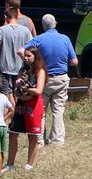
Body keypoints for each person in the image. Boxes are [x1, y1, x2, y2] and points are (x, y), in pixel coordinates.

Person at [25, 13, 78, 145]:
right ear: (55, 24)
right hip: (61, 79)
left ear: (43, 26)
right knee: (58, 110)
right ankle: (57, 140)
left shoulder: (39, 39)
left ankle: (39, 139)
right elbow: (74, 61)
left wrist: (31, 64)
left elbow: (22, 51)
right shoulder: (65, 39)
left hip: (44, 79)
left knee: (41, 110)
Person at [7, 47, 45, 171]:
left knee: (32, 135)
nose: (26, 58)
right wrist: (20, 92)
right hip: (21, 104)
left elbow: (38, 90)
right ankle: (10, 164)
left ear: (36, 57)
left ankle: (29, 164)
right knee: (13, 134)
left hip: (34, 105)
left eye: (29, 56)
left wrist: (26, 89)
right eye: (25, 56)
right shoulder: (22, 70)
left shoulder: (40, 71)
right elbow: (16, 89)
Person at [0, 4, 33, 93]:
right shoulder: (26, 30)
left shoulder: (1, 30)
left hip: (4, 66)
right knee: (18, 92)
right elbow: (33, 47)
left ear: (5, 16)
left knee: (4, 92)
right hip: (20, 66)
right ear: (17, 16)